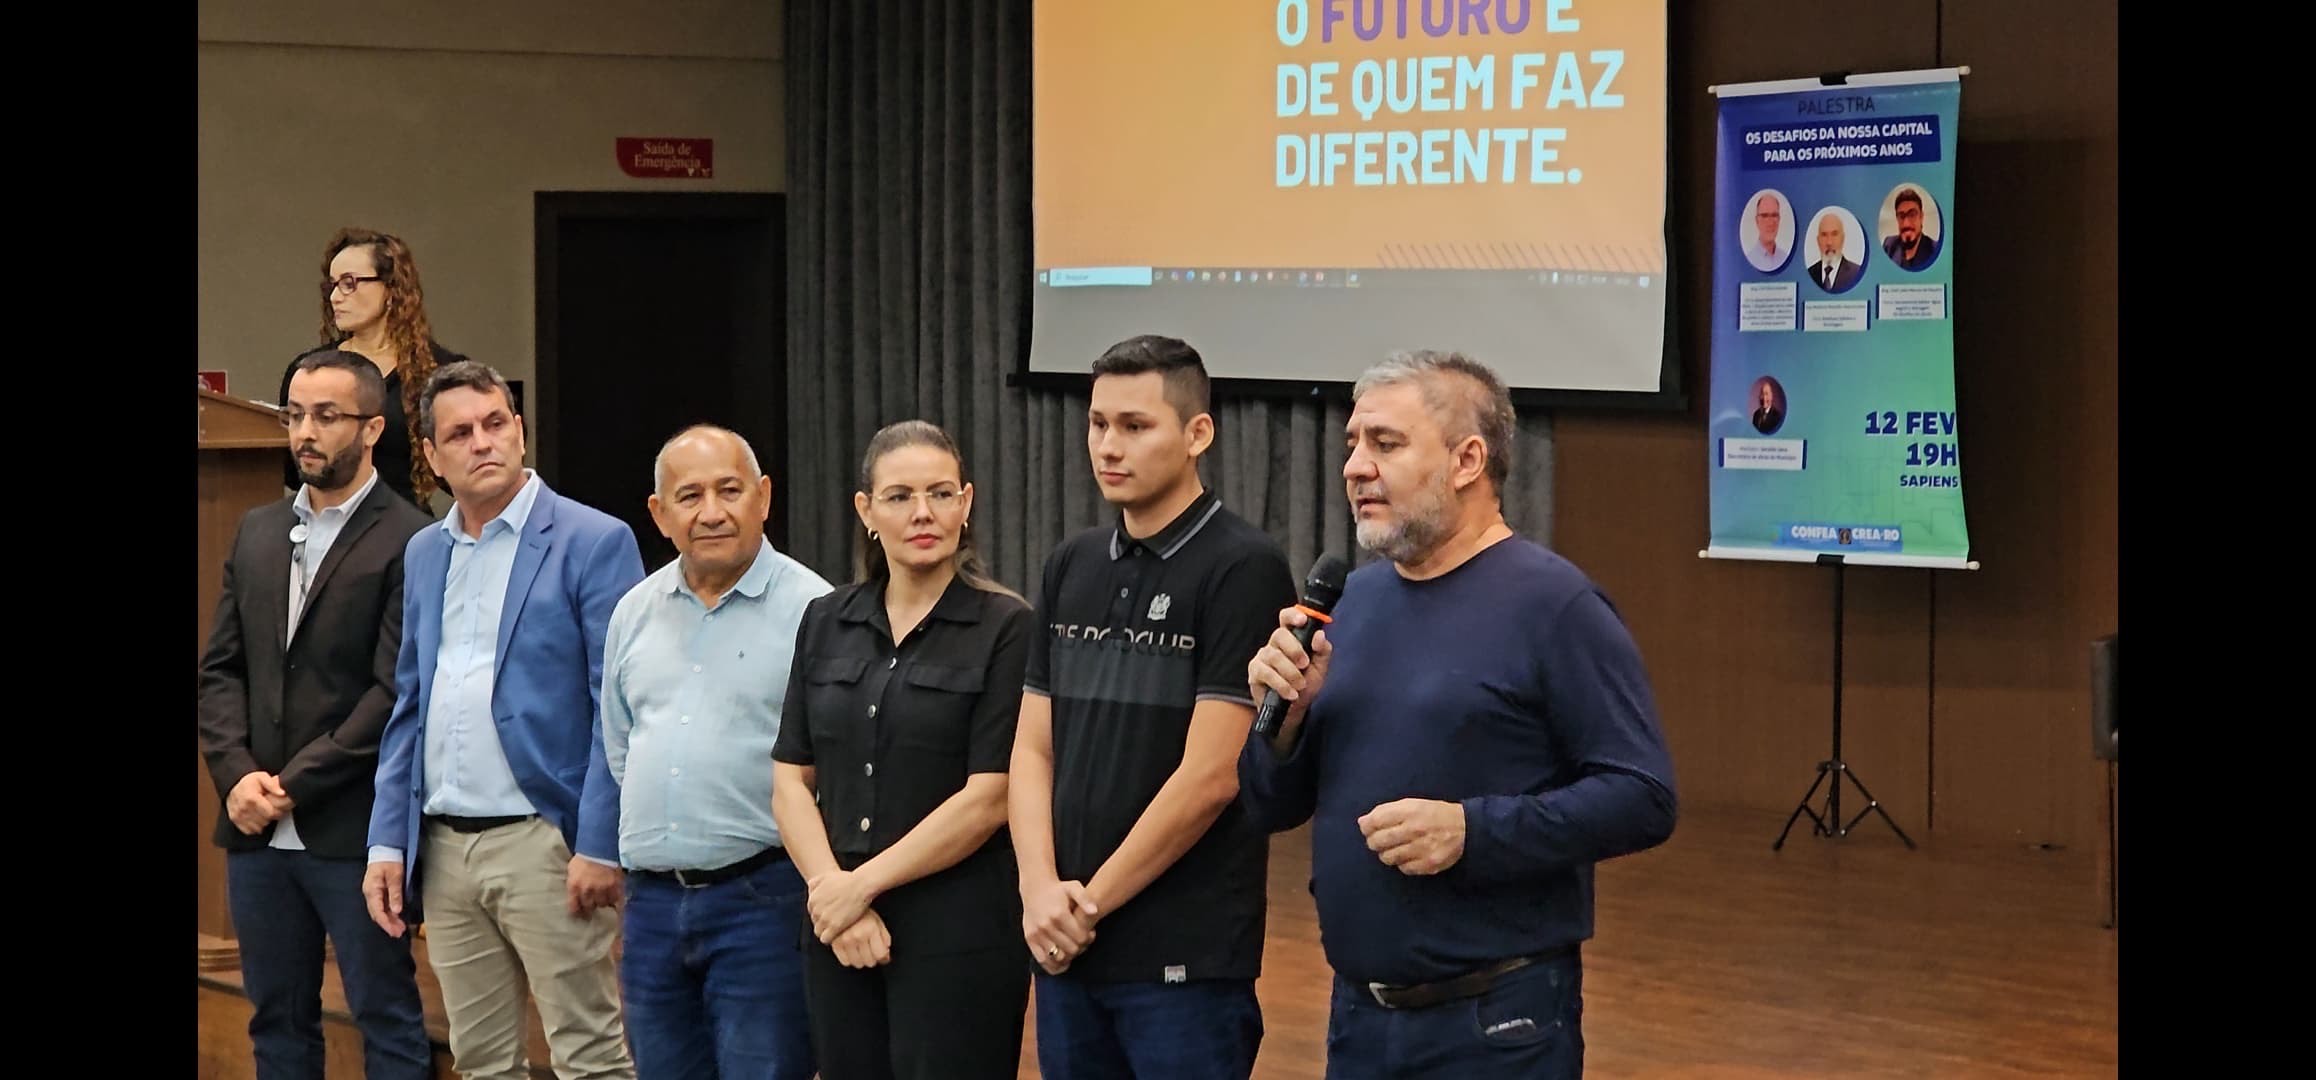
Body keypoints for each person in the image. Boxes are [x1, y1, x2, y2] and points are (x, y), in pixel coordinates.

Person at [1241, 350, 1678, 1079]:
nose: (1353, 465)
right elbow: (1269, 804)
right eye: (1352, 444)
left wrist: (1473, 831)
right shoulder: (1354, 604)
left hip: (1496, 1023)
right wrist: (1283, 724)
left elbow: (1644, 796)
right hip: (1358, 1017)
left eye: (1384, 443)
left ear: (1468, 459)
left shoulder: (1555, 606)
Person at [1009, 335, 1298, 1079]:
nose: (1109, 445)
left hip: (1182, 963)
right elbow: (1034, 748)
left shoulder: (1243, 566)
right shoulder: (1070, 563)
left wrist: (1087, 906)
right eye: (1099, 424)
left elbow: (1213, 776)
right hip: (1067, 950)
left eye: (1135, 426)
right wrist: (1040, 890)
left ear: (1197, 434)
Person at [362, 360, 645, 1080]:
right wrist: (386, 842)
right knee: (481, 1059)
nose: (482, 442)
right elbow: (410, 707)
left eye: (495, 424)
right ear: (430, 456)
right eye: (460, 433)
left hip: (546, 842)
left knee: (588, 1054)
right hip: (446, 850)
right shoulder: (425, 551)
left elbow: (620, 705)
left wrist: (600, 842)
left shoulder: (593, 540)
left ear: (519, 431)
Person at [772, 420, 1037, 1080]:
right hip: (836, 925)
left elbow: (991, 797)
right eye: (899, 496)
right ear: (866, 510)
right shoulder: (825, 619)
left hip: (958, 933)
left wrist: (858, 887)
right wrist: (832, 893)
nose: (924, 513)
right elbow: (789, 779)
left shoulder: (1007, 628)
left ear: (967, 504)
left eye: (942, 494)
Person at [198, 350, 435, 1080]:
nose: (305, 431)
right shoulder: (260, 530)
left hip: (353, 827)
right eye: (295, 414)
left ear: (371, 429)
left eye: (326, 416)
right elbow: (220, 671)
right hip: (257, 833)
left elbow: (394, 690)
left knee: (385, 1018)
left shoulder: (412, 536)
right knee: (277, 1021)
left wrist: (293, 783)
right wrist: (237, 776)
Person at [601, 424, 831, 1079]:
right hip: (651, 907)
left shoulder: (814, 611)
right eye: (690, 495)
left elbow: (831, 768)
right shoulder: (634, 612)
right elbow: (621, 745)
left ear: (763, 497)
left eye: (729, 491)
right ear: (659, 513)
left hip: (764, 901)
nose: (711, 512)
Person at [281, 227, 469, 509]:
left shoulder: (441, 371)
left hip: (406, 533)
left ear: (391, 290)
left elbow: (461, 467)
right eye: (332, 285)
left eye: (349, 283)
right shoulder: (310, 371)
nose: (335, 297)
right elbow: (291, 470)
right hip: (328, 523)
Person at [1881, 187, 1941, 271]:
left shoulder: (1935, 251)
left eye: (1912, 215)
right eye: (1901, 216)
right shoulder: (1889, 246)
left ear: (1921, 217)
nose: (1906, 223)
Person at [1808, 212, 1864, 294]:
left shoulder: (1856, 273)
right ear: (1818, 240)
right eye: (1824, 235)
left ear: (1843, 238)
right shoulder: (1810, 273)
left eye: (1834, 234)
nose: (1829, 242)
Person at [1744, 192, 1790, 272]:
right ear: (1757, 221)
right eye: (1764, 216)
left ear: (1779, 219)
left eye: (1774, 215)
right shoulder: (1749, 260)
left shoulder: (1785, 258)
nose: (1770, 222)